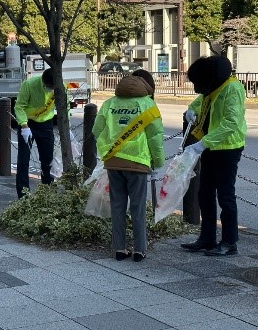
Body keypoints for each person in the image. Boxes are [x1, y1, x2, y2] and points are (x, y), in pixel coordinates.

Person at [93, 70, 165, 261]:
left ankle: (119, 248)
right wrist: (158, 163)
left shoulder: (109, 103)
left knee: (117, 206)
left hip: (113, 161)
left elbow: (96, 130)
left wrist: (107, 150)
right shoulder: (148, 105)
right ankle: (140, 249)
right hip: (138, 163)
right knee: (138, 207)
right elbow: (155, 138)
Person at [181, 55, 247, 257]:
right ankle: (207, 238)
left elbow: (231, 123)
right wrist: (190, 111)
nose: (198, 89)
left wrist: (202, 144)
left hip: (227, 148)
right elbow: (199, 102)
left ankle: (229, 242)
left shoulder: (232, 89)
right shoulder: (212, 87)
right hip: (210, 146)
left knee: (225, 196)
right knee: (205, 193)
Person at [14, 68, 56, 198]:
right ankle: (23, 194)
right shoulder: (30, 85)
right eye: (48, 86)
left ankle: (47, 192)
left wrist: (68, 126)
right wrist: (24, 126)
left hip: (46, 124)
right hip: (28, 124)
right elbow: (19, 106)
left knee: (48, 160)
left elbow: (65, 106)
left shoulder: (60, 86)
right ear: (43, 82)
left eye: (52, 87)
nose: (49, 89)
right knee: (23, 160)